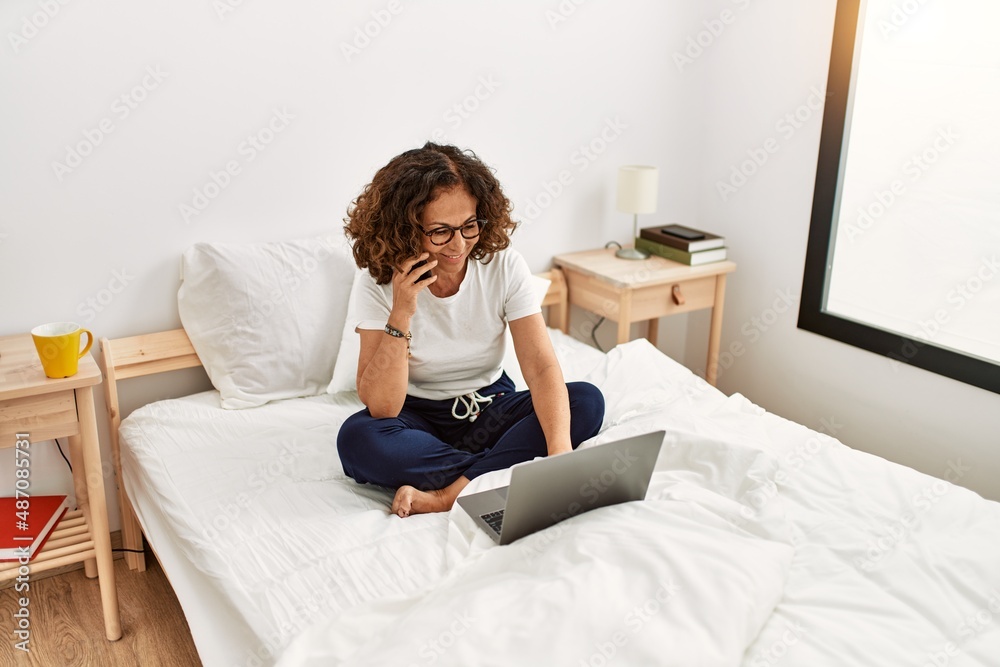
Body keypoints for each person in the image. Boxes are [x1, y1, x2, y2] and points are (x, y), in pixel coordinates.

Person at [337, 142, 605, 518]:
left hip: (490, 406)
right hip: (415, 416)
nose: (459, 244)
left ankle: (450, 494)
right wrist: (401, 313)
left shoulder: (504, 267)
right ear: (406, 228)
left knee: (585, 402)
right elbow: (382, 406)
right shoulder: (377, 282)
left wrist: (559, 455)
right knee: (357, 440)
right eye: (441, 232)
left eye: (469, 226)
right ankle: (502, 466)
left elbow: (542, 368)